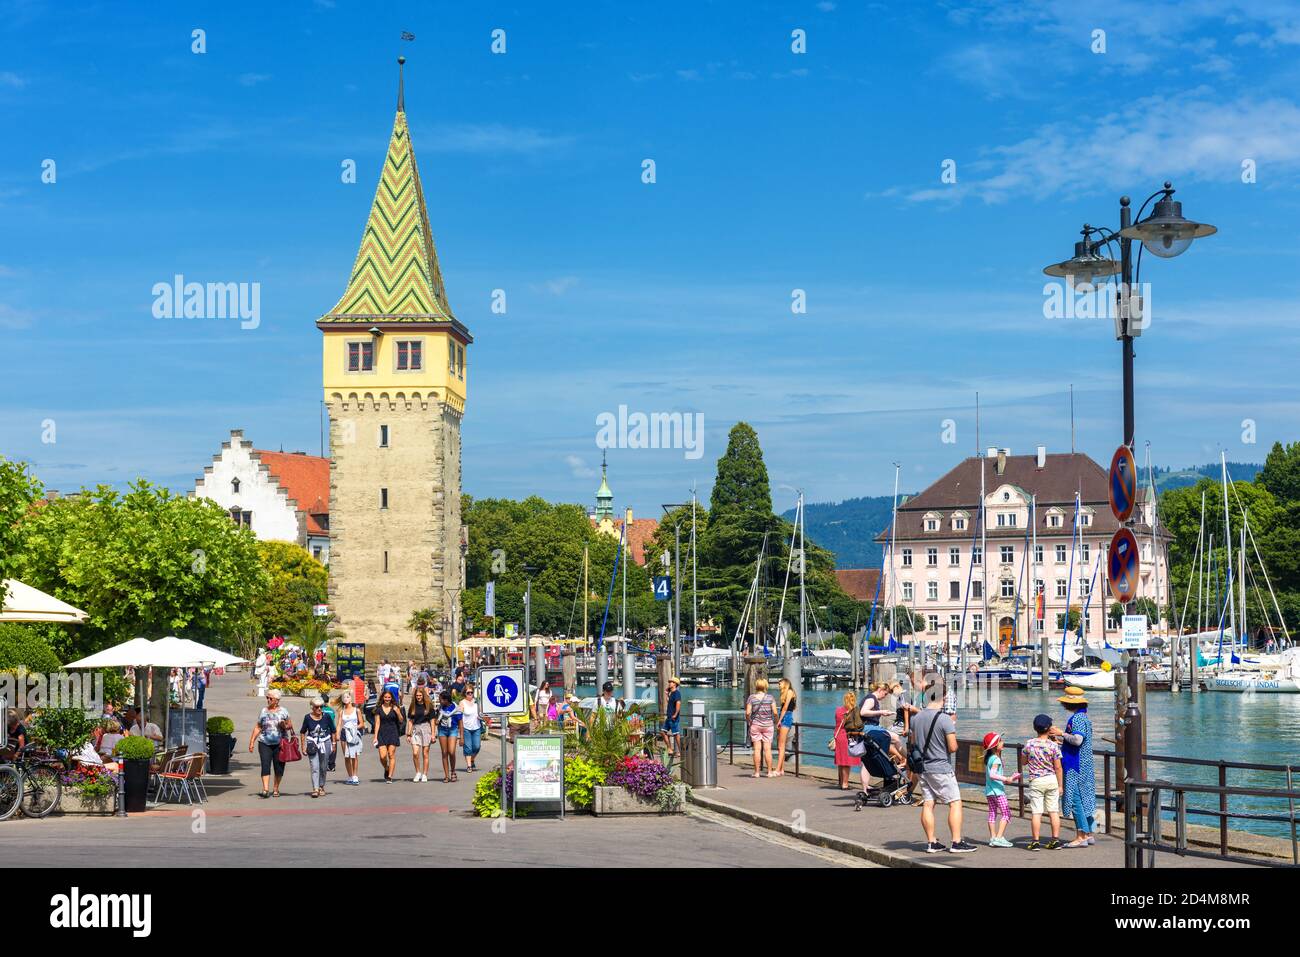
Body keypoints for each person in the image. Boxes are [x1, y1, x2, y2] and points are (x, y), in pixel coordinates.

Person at [910, 678, 975, 854]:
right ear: (942, 697)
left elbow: (914, 743)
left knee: (928, 803)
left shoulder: (916, 718)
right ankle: (956, 841)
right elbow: (953, 747)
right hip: (941, 767)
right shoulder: (945, 719)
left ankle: (932, 842)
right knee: (955, 802)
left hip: (922, 768)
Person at [1057, 687, 1096, 848]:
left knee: (1075, 799)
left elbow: (1078, 740)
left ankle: (1081, 835)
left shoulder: (1077, 719)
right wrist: (1062, 741)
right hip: (1085, 763)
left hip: (1075, 764)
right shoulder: (1085, 717)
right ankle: (1089, 833)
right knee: (1086, 797)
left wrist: (1061, 733)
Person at [1024, 713, 1064, 851]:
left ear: (1035, 728)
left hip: (1036, 780)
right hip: (1051, 779)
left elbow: (1023, 761)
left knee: (1036, 812)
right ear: (1049, 729)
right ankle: (1055, 840)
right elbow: (1058, 767)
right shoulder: (1053, 746)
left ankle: (1035, 841)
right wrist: (1060, 785)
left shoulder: (1029, 744)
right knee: (1053, 811)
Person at [248, 689, 291, 798]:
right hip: (264, 742)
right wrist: (252, 741)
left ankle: (276, 788)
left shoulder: (284, 711)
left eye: (270, 698)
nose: (268, 700)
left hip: (280, 743)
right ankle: (265, 789)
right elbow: (258, 726)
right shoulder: (263, 711)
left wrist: (284, 726)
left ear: (276, 700)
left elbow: (290, 726)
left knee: (279, 767)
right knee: (265, 765)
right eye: (267, 697)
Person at [982, 732, 1019, 847]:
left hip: (989, 791)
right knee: (1006, 813)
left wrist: (1009, 778)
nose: (1002, 743)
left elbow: (991, 775)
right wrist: (1007, 778)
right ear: (995, 746)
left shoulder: (989, 758)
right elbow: (993, 775)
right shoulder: (996, 760)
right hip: (998, 792)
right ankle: (999, 837)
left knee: (992, 813)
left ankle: (993, 838)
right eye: (1000, 741)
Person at [300, 697, 337, 798]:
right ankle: (315, 789)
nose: (319, 709)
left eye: (321, 707)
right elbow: (302, 732)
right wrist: (303, 746)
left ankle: (321, 786)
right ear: (312, 707)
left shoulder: (327, 717)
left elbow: (333, 730)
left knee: (323, 767)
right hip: (312, 744)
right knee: (315, 767)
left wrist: (334, 744)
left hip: (326, 742)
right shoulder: (307, 717)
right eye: (317, 707)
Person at [745, 677, 776, 778]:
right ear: (766, 686)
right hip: (768, 725)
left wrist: (749, 721)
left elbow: (748, 712)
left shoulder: (751, 698)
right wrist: (776, 720)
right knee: (767, 749)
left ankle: (757, 772)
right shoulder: (770, 698)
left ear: (756, 686)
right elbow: (775, 712)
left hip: (755, 725)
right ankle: (770, 772)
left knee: (757, 749)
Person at [372, 689, 404, 783]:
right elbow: (377, 723)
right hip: (382, 733)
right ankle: (386, 768)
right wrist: (375, 737)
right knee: (382, 756)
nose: (387, 699)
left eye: (389, 697)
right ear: (382, 698)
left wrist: (397, 712)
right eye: (385, 697)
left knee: (391, 754)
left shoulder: (395, 707)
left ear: (391, 698)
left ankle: (390, 776)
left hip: (393, 732)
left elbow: (401, 720)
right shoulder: (378, 709)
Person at [406, 685, 436, 782]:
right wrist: (408, 734)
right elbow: (410, 720)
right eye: (417, 695)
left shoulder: (428, 706)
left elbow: (432, 720)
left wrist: (433, 734)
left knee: (425, 753)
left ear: (423, 695)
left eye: (420, 695)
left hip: (426, 728)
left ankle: (424, 774)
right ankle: (418, 772)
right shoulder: (413, 706)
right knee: (415, 753)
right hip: (416, 729)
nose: (418, 697)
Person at [337, 690, 364, 785]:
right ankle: (350, 776)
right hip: (344, 733)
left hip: (353, 733)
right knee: (346, 756)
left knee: (354, 755)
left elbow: (361, 724)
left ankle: (355, 775)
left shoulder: (357, 710)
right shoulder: (341, 711)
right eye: (344, 697)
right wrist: (337, 734)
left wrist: (354, 728)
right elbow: (339, 724)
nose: (346, 699)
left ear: (351, 698)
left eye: (348, 697)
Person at [832, 691, 858, 790]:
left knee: (840, 761)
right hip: (847, 737)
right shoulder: (853, 711)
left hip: (838, 736)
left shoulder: (838, 710)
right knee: (846, 762)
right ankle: (845, 784)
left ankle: (840, 782)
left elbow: (838, 722)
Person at [435, 690, 462, 782]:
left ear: (446, 700)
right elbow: (437, 718)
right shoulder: (440, 708)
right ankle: (446, 775)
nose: (440, 701)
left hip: (453, 730)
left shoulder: (456, 708)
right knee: (444, 752)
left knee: (451, 751)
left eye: (441, 700)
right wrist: (436, 720)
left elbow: (460, 723)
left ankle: (453, 771)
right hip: (442, 730)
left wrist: (461, 737)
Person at [773, 678, 796, 777]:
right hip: (784, 716)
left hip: (786, 717)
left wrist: (779, 720)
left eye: (780, 683)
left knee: (781, 745)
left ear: (786, 683)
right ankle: (781, 768)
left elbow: (786, 708)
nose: (779, 685)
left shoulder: (790, 691)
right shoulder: (784, 694)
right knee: (780, 745)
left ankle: (778, 769)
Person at [460, 683, 484, 771]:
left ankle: (472, 759)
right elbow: (459, 717)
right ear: (464, 693)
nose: (470, 694)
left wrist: (481, 717)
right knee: (468, 748)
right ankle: (469, 765)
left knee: (477, 746)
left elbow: (481, 713)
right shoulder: (462, 703)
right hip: (466, 728)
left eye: (471, 692)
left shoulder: (477, 702)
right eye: (468, 693)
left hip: (476, 727)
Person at [661, 677, 682, 758]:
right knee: (663, 732)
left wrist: (676, 714)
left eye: (671, 682)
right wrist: (667, 694)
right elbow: (669, 702)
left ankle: (681, 751)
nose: (669, 683)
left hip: (673, 717)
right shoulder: (672, 693)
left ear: (675, 684)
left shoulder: (677, 693)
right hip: (669, 717)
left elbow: (678, 703)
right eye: (669, 682)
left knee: (676, 735)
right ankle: (670, 749)